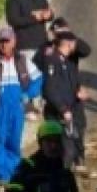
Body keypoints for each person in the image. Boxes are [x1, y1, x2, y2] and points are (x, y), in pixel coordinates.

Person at [0, 27, 43, 184]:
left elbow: (38, 79)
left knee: (13, 142)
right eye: (2, 41)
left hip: (16, 110)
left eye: (7, 41)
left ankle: (12, 174)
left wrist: (28, 94)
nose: (4, 44)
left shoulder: (22, 61)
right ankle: (1, 176)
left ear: (14, 41)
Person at [5, 0, 53, 118]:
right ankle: (27, 107)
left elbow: (48, 12)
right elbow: (13, 20)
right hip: (25, 44)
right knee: (27, 77)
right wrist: (34, 17)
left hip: (42, 42)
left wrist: (48, 15)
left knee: (41, 75)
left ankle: (38, 103)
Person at [39, 32, 89, 171]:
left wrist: (78, 91)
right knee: (65, 148)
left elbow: (86, 50)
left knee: (77, 137)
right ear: (68, 44)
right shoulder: (52, 60)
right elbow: (50, 89)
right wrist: (63, 109)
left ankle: (77, 164)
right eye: (73, 42)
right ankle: (60, 174)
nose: (76, 45)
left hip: (74, 106)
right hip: (59, 111)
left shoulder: (70, 59)